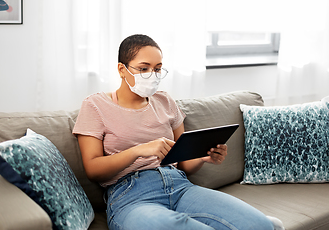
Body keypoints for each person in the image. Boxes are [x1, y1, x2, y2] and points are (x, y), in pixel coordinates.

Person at [73, 34, 279, 230]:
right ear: (122, 69)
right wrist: (138, 151)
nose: (152, 75)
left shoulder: (165, 101)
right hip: (131, 196)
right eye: (144, 68)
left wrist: (203, 156)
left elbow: (184, 163)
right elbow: (93, 169)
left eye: (158, 69)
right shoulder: (95, 105)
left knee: (261, 225)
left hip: (179, 185)